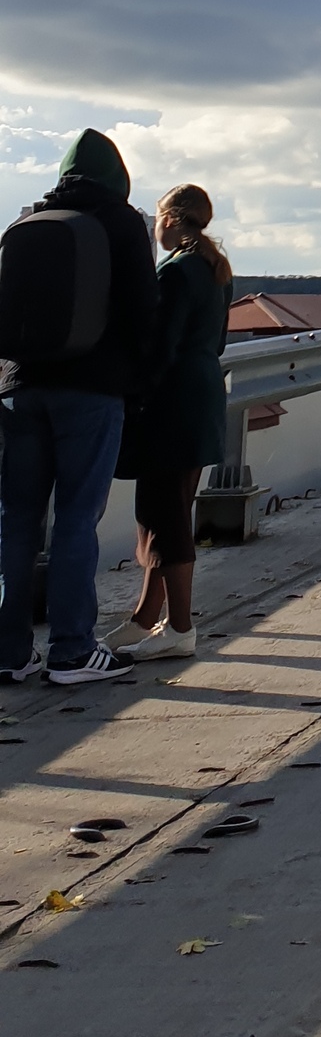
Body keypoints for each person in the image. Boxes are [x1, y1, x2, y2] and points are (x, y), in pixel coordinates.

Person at [0, 128, 158, 686]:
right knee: (75, 520)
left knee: (16, 521)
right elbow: (144, 315)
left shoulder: (25, 223)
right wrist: (138, 389)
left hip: (21, 388)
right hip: (92, 391)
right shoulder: (122, 224)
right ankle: (71, 651)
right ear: (119, 178)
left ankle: (10, 652)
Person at [111, 186, 231, 660]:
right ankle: (146, 617)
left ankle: (179, 627)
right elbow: (216, 342)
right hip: (201, 397)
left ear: (171, 219)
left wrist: (132, 395)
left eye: (158, 216)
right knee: (171, 510)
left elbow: (159, 347)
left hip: (171, 403)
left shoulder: (176, 271)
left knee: (164, 517)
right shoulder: (216, 270)